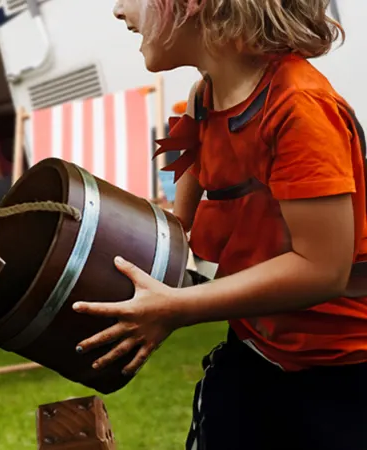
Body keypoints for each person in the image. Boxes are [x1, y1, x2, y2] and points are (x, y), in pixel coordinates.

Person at [72, 1, 367, 449]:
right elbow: (175, 224)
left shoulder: (299, 108)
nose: (118, 10)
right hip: (255, 349)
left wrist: (179, 307)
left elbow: (322, 269)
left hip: (343, 371)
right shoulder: (202, 98)